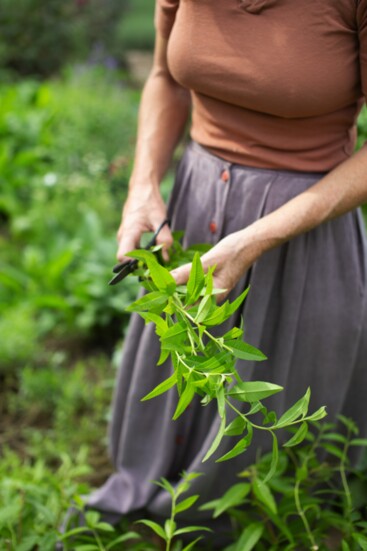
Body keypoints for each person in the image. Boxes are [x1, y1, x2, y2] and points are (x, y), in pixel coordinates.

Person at [87, 0, 367, 543]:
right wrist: (143, 184)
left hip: (306, 225)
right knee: (187, 378)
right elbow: (166, 77)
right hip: (196, 207)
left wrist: (261, 236)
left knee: (283, 438)